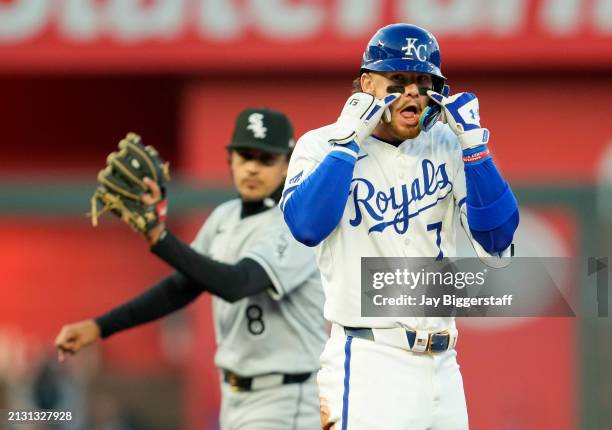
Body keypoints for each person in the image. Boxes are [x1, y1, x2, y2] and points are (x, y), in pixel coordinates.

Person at [280, 24, 519, 429]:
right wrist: (348, 143)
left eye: (423, 80)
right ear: (367, 84)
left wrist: (475, 148)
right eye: (398, 79)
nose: (412, 91)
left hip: (445, 363)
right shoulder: (322, 145)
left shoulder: (448, 143)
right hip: (372, 358)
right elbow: (305, 226)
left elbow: (498, 243)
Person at [55, 108, 327, 430]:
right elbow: (179, 288)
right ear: (230, 161)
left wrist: (161, 237)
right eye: (245, 156)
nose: (252, 167)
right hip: (236, 396)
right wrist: (100, 326)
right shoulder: (224, 217)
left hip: (289, 395)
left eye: (266, 159)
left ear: (286, 165)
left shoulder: (295, 223)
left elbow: (237, 283)